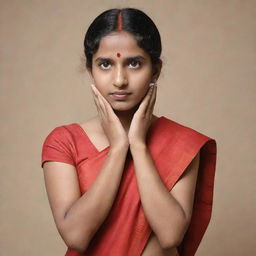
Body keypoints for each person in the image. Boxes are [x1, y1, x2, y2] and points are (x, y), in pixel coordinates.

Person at [41, 8, 217, 256]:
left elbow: (170, 234)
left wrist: (139, 145)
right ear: (90, 69)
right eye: (105, 64)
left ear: (155, 69)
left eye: (134, 63)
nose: (120, 79)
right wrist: (118, 149)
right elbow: (76, 236)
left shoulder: (182, 143)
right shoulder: (64, 142)